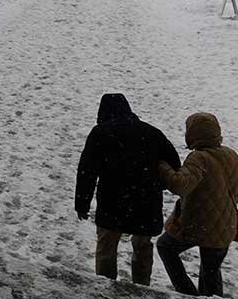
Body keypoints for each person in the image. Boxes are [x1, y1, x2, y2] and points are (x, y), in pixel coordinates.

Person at [75, 94, 181, 286]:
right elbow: (174, 164)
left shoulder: (100, 133)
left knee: (106, 247)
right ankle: (141, 288)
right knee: (142, 248)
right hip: (145, 202)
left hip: (112, 201)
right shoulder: (152, 133)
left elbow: (87, 171)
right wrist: (156, 184)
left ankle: (105, 287)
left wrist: (82, 204)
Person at [156, 113, 238, 297]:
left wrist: (162, 165)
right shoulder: (231, 155)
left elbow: (179, 185)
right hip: (224, 226)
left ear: (193, 134)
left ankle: (187, 293)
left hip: (198, 225)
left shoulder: (198, 158)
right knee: (211, 273)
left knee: (165, 247)